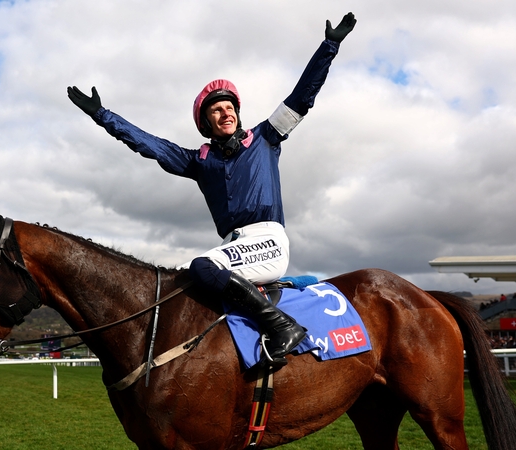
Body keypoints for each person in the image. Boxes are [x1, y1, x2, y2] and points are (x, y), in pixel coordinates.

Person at [67, 13, 357, 366]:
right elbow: (150, 145)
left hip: (267, 241)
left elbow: (303, 94)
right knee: (186, 277)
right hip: (234, 246)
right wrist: (103, 116)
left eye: (229, 107)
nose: (225, 114)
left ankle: (283, 327)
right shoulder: (198, 162)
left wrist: (330, 45)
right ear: (206, 122)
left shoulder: (267, 137)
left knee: (201, 267)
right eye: (216, 110)